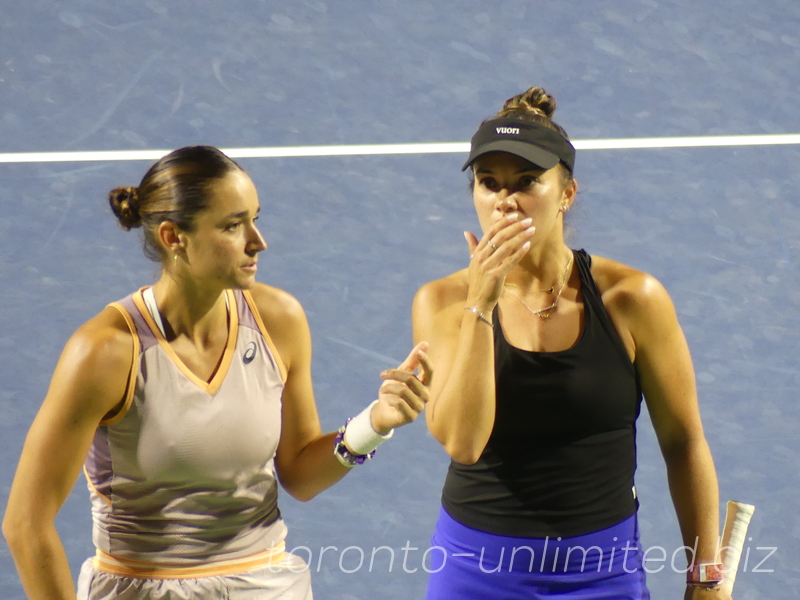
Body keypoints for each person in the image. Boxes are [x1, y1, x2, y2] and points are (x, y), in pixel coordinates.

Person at [3, 146, 432, 600]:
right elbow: (26, 525)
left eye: (255, 219)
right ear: (173, 237)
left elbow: (301, 476)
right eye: (233, 225)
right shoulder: (105, 353)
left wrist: (376, 423)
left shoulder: (278, 320)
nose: (257, 241)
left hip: (267, 586)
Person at [412, 88, 730, 599]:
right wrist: (480, 307)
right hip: (476, 571)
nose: (505, 201)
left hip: (603, 572)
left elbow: (684, 442)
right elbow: (463, 443)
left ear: (567, 194)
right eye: (488, 183)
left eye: (526, 182)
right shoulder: (443, 302)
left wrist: (706, 578)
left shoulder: (634, 299)